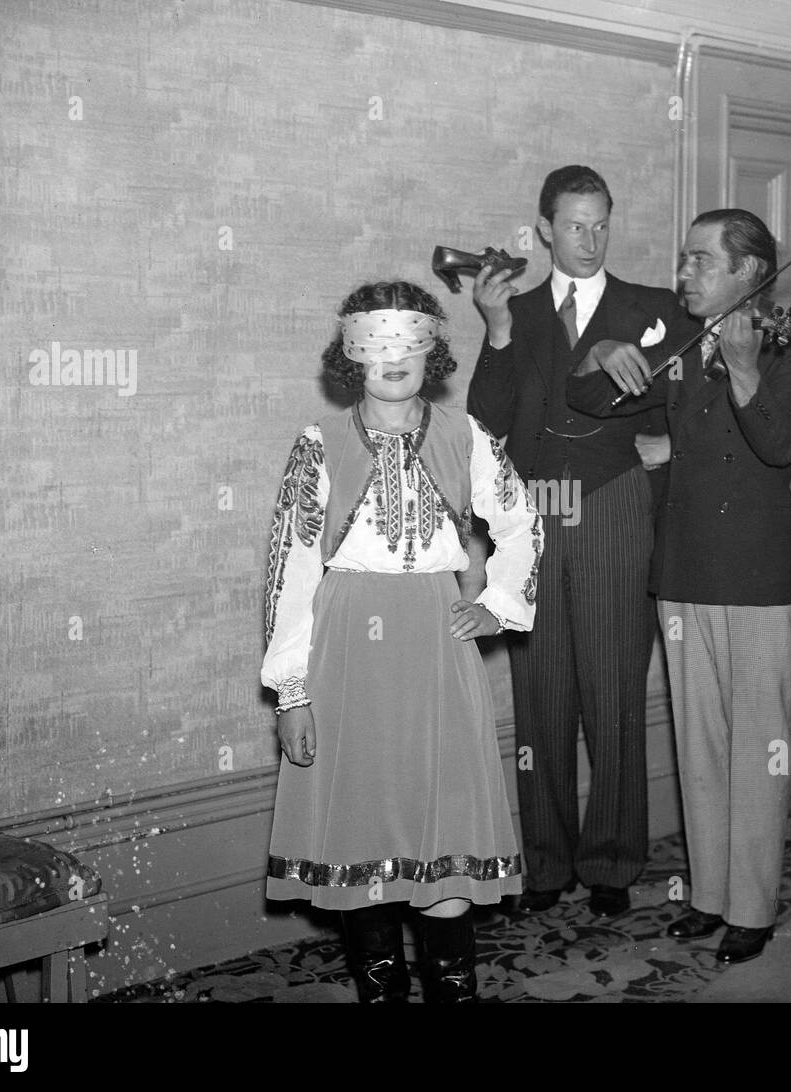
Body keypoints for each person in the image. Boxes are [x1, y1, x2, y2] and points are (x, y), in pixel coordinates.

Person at [261, 281, 543, 1003]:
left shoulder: (466, 435)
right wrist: (293, 693)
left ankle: (454, 993)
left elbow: (520, 522)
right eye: (375, 345)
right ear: (351, 355)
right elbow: (290, 573)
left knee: (443, 828)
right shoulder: (318, 446)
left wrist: (498, 605)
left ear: (432, 352)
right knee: (367, 840)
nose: (392, 359)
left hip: (437, 648)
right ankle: (380, 994)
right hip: (347, 652)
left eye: (408, 344)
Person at [567, 208, 791, 963]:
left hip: (754, 579)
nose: (682, 273)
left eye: (699, 261)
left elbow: (778, 443)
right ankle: (711, 897)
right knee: (700, 746)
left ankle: (752, 907)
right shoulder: (679, 352)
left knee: (756, 748)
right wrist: (607, 351)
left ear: (749, 273)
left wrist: (744, 366)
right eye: (684, 260)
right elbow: (588, 399)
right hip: (680, 575)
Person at [466, 165, 682, 918]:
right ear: (545, 230)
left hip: (613, 504)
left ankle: (614, 864)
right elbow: (486, 425)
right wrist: (495, 334)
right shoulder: (516, 313)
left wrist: (669, 449)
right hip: (533, 515)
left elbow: (698, 395)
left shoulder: (650, 308)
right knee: (541, 694)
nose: (590, 241)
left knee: (615, 688)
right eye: (576, 226)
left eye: (602, 225)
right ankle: (547, 865)